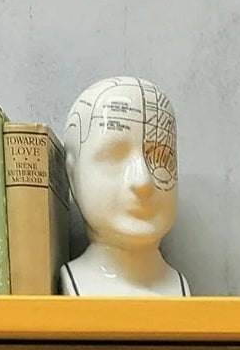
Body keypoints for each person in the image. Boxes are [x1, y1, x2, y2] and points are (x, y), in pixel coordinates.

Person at [59, 76, 190, 297]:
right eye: (114, 156)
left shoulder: (179, 286)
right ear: (73, 175)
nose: (142, 181)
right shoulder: (75, 281)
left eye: (160, 158)